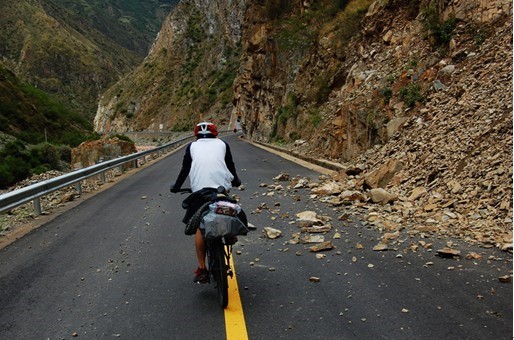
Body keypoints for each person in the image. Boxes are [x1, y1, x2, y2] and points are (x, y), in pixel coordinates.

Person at [170, 122, 241, 284]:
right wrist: (236, 180)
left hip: (200, 192)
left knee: (199, 227)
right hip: (220, 189)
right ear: (215, 134)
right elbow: (230, 165)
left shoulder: (192, 147)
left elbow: (185, 169)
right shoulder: (223, 144)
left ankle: (202, 268)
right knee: (226, 207)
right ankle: (230, 234)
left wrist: (176, 187)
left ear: (196, 135)